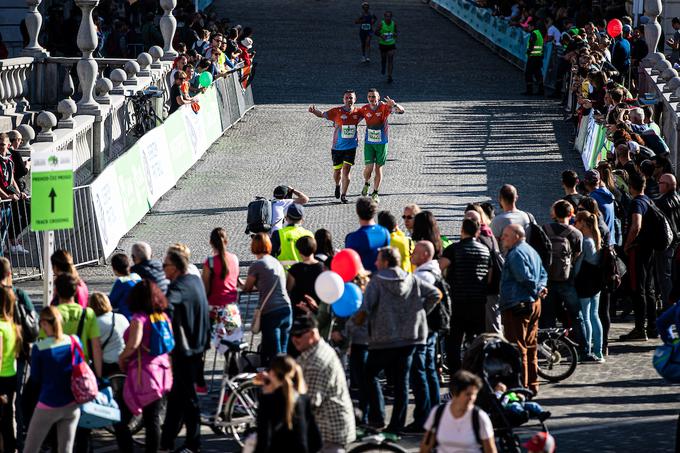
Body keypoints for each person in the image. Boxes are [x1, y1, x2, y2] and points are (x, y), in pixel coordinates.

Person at [358, 247, 441, 433]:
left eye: (379, 260)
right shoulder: (411, 279)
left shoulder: (377, 282)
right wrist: (419, 312)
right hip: (410, 338)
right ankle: (397, 424)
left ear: (386, 262)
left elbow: (365, 308)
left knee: (369, 374)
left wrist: (357, 325)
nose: (376, 263)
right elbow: (435, 294)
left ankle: (377, 416)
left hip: (384, 339)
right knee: (402, 381)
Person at [160, 249, 210, 453]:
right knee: (177, 398)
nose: (163, 268)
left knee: (188, 400)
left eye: (165, 265)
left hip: (184, 352)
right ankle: (167, 441)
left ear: (176, 268)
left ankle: (193, 443)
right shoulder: (195, 281)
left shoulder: (177, 288)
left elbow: (166, 308)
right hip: (197, 347)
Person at [116, 280, 173, 452]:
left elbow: (133, 344)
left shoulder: (139, 318)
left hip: (143, 374)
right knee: (152, 419)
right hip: (163, 372)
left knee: (119, 418)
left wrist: (122, 357)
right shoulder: (162, 317)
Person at [292, 314, 356, 452]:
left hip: (330, 431)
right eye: (292, 335)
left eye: (298, 335)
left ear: (313, 333)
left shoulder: (317, 361)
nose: (294, 339)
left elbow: (310, 402)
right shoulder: (310, 351)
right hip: (321, 428)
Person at [23, 307, 81, 453]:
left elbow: (36, 377)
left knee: (31, 448)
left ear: (43, 323)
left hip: (48, 403)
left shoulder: (40, 347)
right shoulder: (73, 341)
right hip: (72, 404)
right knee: (65, 449)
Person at [499, 224, 547, 394]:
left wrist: (536, 289)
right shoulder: (531, 250)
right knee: (531, 346)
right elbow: (543, 273)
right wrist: (541, 289)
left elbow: (524, 278)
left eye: (505, 235)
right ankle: (533, 384)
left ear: (517, 236)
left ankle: (521, 387)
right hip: (534, 304)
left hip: (518, 305)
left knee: (518, 349)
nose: (502, 238)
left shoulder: (516, 254)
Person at [440, 219, 490, 374]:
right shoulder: (485, 250)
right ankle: (477, 374)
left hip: (458, 302)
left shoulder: (454, 249)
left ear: (462, 230)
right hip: (478, 303)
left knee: (453, 343)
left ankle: (457, 378)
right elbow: (488, 277)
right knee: (478, 342)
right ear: (477, 232)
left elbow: (440, 267)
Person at [540, 200, 586, 358]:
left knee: (548, 316)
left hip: (547, 278)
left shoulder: (544, 229)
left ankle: (549, 349)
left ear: (555, 213)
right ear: (570, 214)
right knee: (576, 315)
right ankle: (583, 348)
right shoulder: (575, 233)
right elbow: (577, 254)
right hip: (566, 278)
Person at [408, 240, 442, 434]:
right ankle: (434, 413)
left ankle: (423, 417)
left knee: (419, 372)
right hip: (431, 329)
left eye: (414, 252)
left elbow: (427, 299)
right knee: (429, 370)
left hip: (422, 330)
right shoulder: (434, 270)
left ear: (423, 256)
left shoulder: (422, 276)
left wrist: (419, 315)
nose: (411, 254)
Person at [254, 355, 322, 453]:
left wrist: (265, 391)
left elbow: (264, 441)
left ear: (272, 373)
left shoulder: (268, 401)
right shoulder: (303, 399)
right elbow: (316, 441)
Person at [243, 233, 292, 365]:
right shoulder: (276, 263)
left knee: (274, 354)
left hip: (271, 312)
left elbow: (247, 287)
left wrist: (240, 283)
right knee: (283, 351)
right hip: (286, 309)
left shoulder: (257, 265)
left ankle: (278, 382)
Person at [308, 90, 365, 204]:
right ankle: (337, 185)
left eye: (351, 98)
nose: (349, 100)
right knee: (337, 171)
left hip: (351, 146)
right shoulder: (336, 111)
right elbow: (323, 114)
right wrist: (314, 112)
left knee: (346, 171)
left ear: (355, 99)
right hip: (337, 147)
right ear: (343, 99)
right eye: (347, 98)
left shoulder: (358, 112)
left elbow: (370, 114)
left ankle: (344, 195)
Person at [420, 370, 496, 453]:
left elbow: (490, 450)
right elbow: (426, 445)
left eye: (474, 394)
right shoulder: (438, 413)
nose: (471, 398)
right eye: (468, 394)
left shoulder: (479, 417)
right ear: (455, 393)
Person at [620, 175, 656, 341]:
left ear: (631, 186)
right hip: (650, 249)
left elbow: (636, 225)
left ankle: (640, 328)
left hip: (638, 250)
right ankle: (652, 326)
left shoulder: (637, 203)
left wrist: (627, 244)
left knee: (638, 289)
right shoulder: (649, 200)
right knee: (649, 289)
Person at [358, 89, 404, 202]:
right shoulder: (364, 108)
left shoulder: (384, 107)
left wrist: (395, 104)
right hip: (369, 142)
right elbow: (354, 118)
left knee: (378, 168)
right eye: (369, 96)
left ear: (378, 97)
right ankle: (367, 183)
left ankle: (375, 192)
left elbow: (401, 111)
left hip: (382, 143)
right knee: (368, 168)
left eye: (373, 96)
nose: (371, 99)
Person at [202, 227, 242, 356]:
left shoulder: (210, 262)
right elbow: (236, 281)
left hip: (214, 311)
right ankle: (234, 368)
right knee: (233, 342)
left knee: (218, 343)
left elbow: (205, 288)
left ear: (210, 242)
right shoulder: (234, 259)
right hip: (231, 308)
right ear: (226, 241)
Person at [573, 211, 604, 362]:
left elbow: (578, 267)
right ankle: (599, 351)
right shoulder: (597, 238)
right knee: (595, 316)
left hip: (584, 282)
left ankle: (587, 351)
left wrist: (572, 278)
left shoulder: (585, 241)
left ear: (583, 223)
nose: (574, 224)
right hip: (596, 282)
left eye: (576, 222)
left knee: (585, 317)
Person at [287, 236, 327, 334]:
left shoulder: (295, 269)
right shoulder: (322, 267)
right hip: (317, 308)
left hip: (299, 309)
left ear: (299, 251)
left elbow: (288, 288)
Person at [655, 174, 680, 310]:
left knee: (664, 276)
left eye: (661, 182)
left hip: (665, 243)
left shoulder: (661, 203)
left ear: (668, 185)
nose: (659, 184)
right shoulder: (678, 199)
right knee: (671, 275)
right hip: (675, 242)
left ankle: (669, 305)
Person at [89, 292, 129, 376]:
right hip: (126, 361)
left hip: (109, 365)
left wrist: (98, 375)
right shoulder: (122, 317)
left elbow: (95, 350)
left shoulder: (96, 323)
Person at [345, 197, 390, 272]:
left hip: (363, 279)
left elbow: (350, 263)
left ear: (357, 211)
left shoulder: (353, 238)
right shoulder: (385, 232)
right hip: (381, 277)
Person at [0, 286, 20, 452]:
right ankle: (11, 447)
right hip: (11, 376)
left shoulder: (0, 326)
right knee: (8, 417)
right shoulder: (11, 324)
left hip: (1, 378)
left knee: (2, 420)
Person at [108, 253, 142, 319]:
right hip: (141, 314)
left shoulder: (121, 281)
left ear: (114, 269)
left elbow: (111, 301)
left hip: (127, 316)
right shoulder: (137, 276)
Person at [523, 20, 544, 95]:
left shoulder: (534, 33)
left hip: (533, 57)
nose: (528, 28)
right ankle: (541, 90)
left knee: (528, 73)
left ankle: (529, 90)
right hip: (538, 56)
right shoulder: (539, 33)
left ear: (532, 26)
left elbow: (532, 44)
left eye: (528, 26)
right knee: (537, 73)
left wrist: (528, 52)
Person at [376, 11, 397, 83]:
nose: (388, 18)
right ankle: (383, 66)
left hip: (391, 44)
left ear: (391, 17)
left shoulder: (394, 24)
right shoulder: (381, 23)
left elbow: (396, 32)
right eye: (387, 16)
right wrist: (381, 35)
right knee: (384, 58)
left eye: (389, 16)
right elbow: (376, 32)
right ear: (384, 17)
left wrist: (394, 34)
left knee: (390, 59)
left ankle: (389, 76)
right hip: (383, 44)